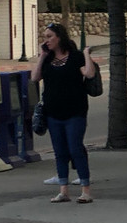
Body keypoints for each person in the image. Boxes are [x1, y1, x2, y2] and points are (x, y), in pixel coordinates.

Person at [31, 22, 95, 204]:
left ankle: (85, 190)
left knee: (75, 149)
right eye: (45, 37)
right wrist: (42, 56)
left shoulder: (75, 57)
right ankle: (63, 190)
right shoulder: (48, 59)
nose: (46, 40)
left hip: (75, 111)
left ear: (59, 37)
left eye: (50, 36)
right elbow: (35, 77)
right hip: (53, 112)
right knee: (59, 152)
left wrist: (86, 54)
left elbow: (89, 74)